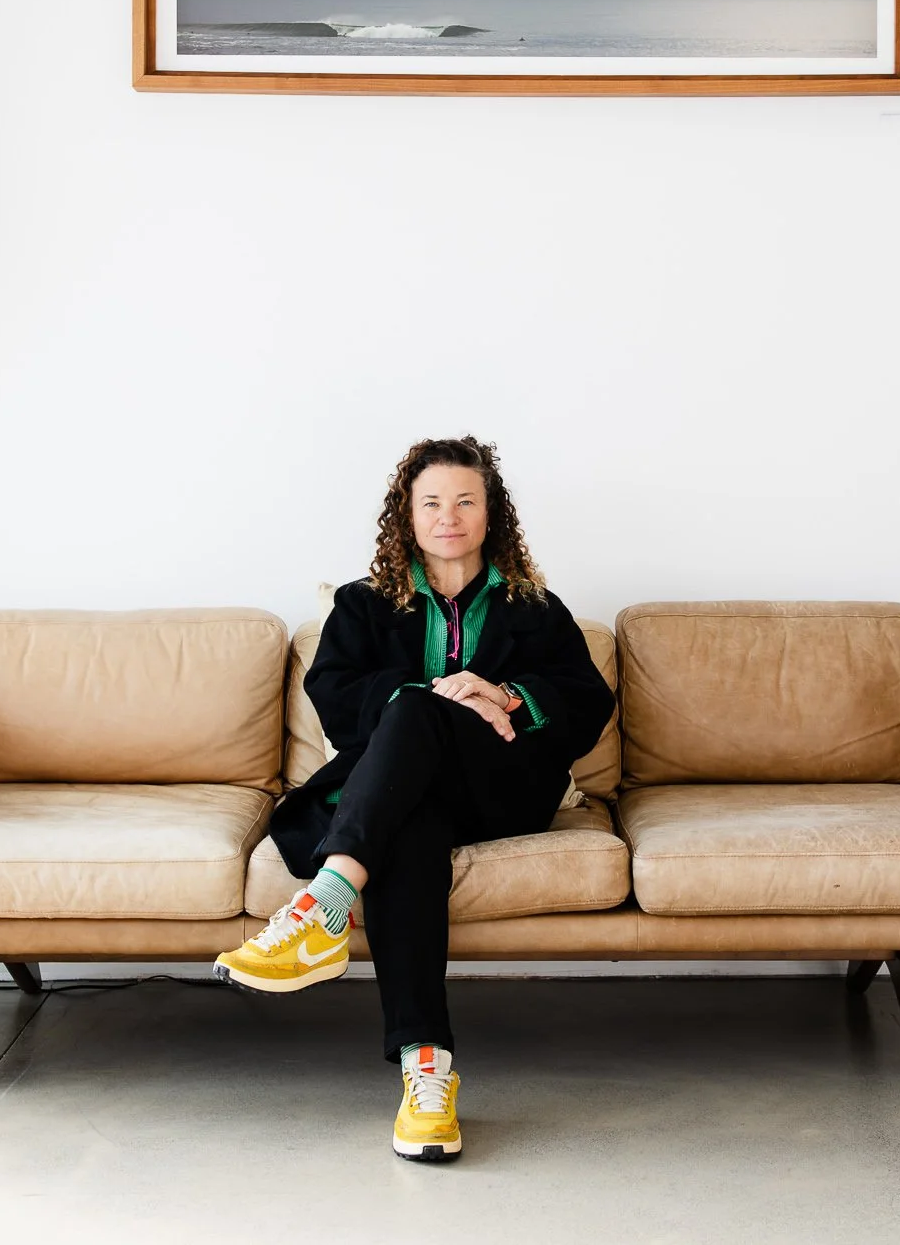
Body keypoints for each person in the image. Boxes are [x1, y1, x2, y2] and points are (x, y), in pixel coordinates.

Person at [214, 436, 614, 1162]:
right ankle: (425, 1072)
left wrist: (505, 696)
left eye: (466, 500)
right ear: (407, 514)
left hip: (504, 788)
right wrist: (430, 698)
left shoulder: (534, 606)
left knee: (422, 714)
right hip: (399, 801)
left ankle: (321, 908)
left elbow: (589, 704)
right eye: (431, 502)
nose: (448, 515)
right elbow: (335, 699)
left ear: (492, 514)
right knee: (412, 815)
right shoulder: (364, 606)